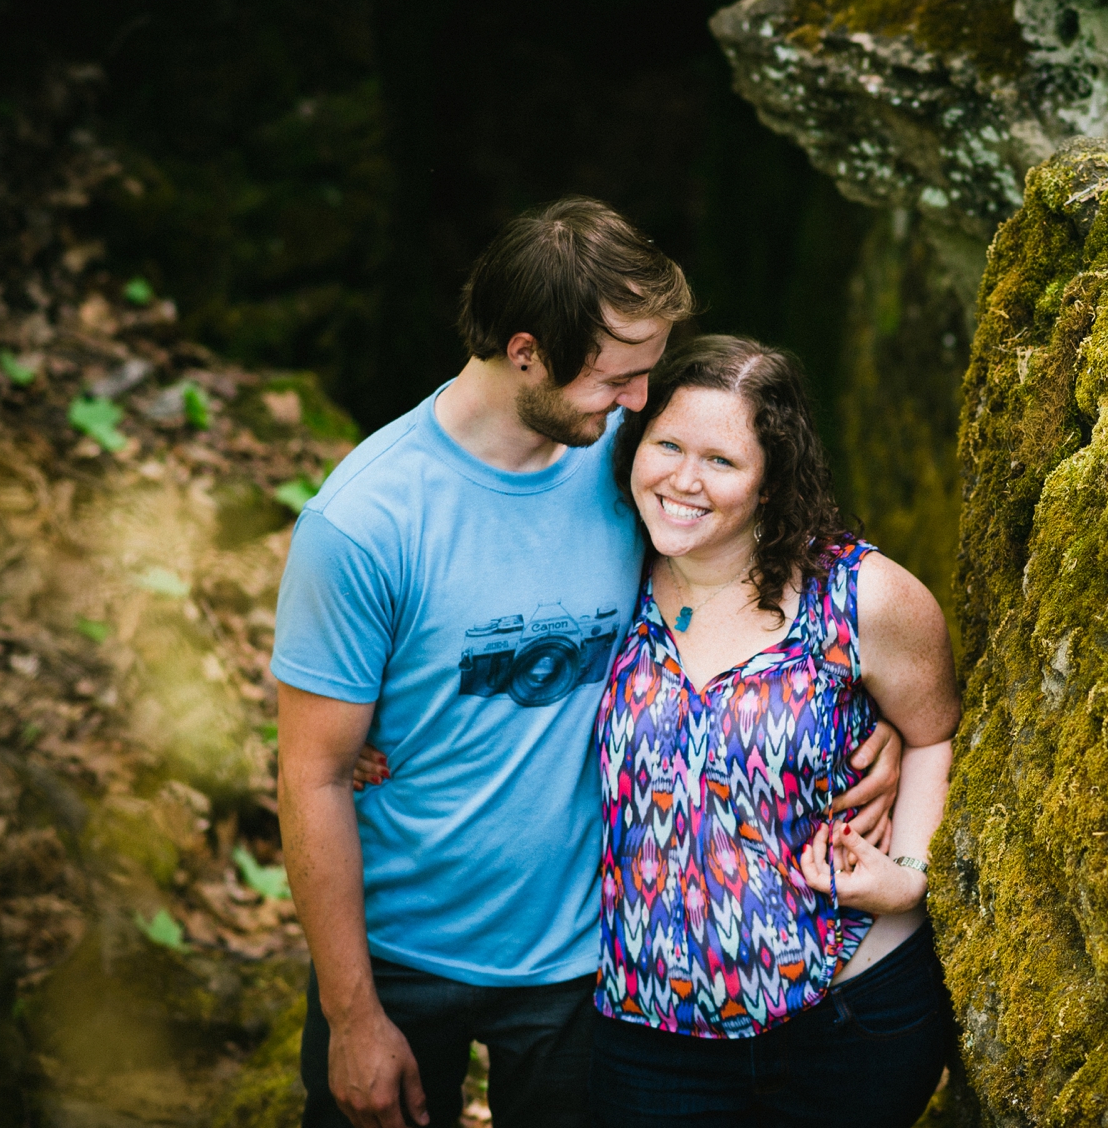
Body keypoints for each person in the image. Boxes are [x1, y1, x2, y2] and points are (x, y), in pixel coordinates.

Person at [271, 198, 901, 1128]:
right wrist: (351, 1013)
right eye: (620, 378)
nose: (642, 402)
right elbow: (310, 771)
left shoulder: (637, 467)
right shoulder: (365, 521)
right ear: (526, 352)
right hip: (400, 953)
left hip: (586, 963)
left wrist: (875, 716)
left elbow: (768, 591)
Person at [588, 335, 962, 1128]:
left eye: (722, 461)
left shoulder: (862, 596)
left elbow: (931, 732)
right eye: (668, 445)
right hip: (649, 1031)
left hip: (848, 1017)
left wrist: (910, 873)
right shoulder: (601, 574)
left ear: (770, 481)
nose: (684, 480)